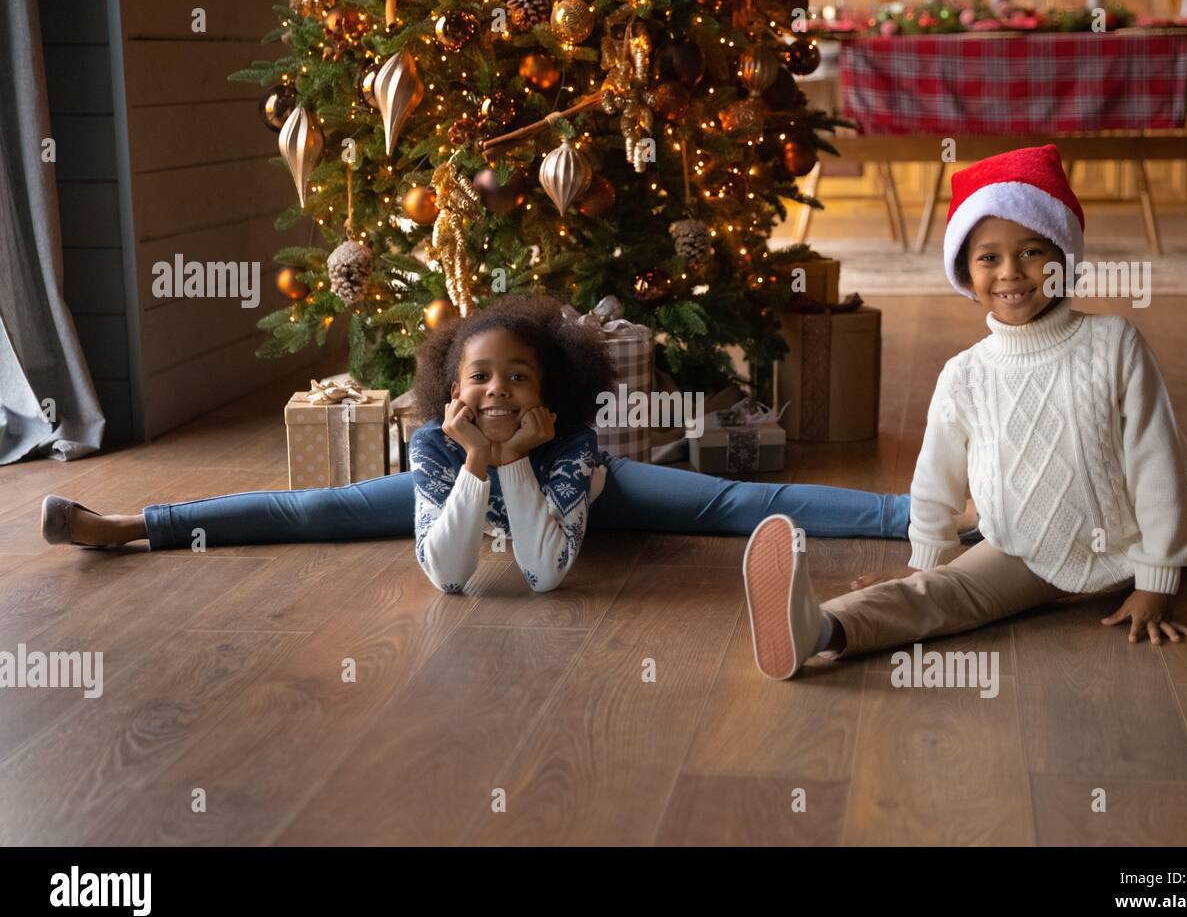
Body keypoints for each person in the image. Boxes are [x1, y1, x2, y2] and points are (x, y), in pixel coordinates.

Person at [43, 295, 974, 592]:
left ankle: (927, 517)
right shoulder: (434, 443)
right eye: (481, 376)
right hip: (464, 494)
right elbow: (447, 576)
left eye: (520, 377)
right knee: (314, 509)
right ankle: (132, 526)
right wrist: (477, 465)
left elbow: (538, 572)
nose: (497, 390)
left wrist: (523, 460)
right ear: (452, 386)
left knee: (731, 505)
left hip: (577, 500)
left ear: (553, 394)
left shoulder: (573, 446)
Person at [741, 144, 1187, 680]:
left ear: (1065, 256)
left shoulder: (1114, 344)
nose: (1012, 272)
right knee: (937, 598)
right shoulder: (965, 374)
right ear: (967, 275)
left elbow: (1154, 463)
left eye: (1034, 251)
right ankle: (816, 629)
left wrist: (1156, 585)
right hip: (1019, 551)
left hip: (1122, 550)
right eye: (989, 257)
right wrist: (926, 565)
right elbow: (935, 481)